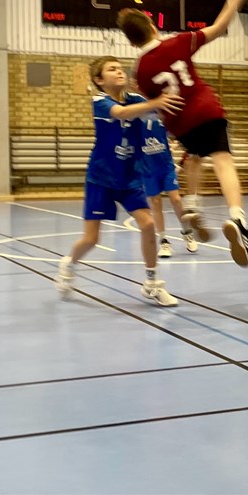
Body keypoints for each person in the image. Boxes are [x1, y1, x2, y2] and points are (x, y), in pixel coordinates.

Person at [118, 0, 248, 267]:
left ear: (132, 43)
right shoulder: (178, 41)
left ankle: (193, 205)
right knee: (223, 160)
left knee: (195, 156)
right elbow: (220, 25)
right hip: (205, 108)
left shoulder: (140, 70)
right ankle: (238, 219)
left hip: (180, 124)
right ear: (153, 26)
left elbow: (150, 103)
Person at [55, 56, 184, 307]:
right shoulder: (100, 102)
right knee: (91, 239)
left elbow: (158, 111)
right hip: (101, 178)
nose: (119, 71)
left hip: (130, 177)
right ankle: (68, 265)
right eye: (111, 69)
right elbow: (121, 113)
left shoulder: (136, 99)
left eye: (120, 68)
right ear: (99, 80)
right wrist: (153, 102)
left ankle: (152, 284)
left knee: (148, 224)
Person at [141, 111, 198, 257]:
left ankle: (187, 232)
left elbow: (177, 134)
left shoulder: (162, 116)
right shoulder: (136, 119)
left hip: (166, 167)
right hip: (148, 169)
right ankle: (164, 241)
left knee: (176, 199)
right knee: (155, 202)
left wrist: (175, 144)